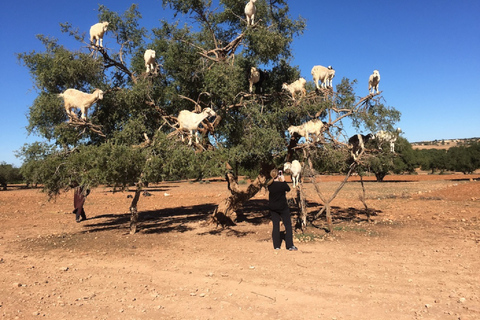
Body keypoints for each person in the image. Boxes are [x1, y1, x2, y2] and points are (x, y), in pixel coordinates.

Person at [267, 168, 298, 251]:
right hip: (283, 208)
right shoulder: (282, 185)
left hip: (273, 208)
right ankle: (290, 245)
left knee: (276, 226)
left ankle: (276, 246)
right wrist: (283, 180)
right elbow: (288, 189)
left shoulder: (270, 185)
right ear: (278, 175)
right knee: (288, 225)